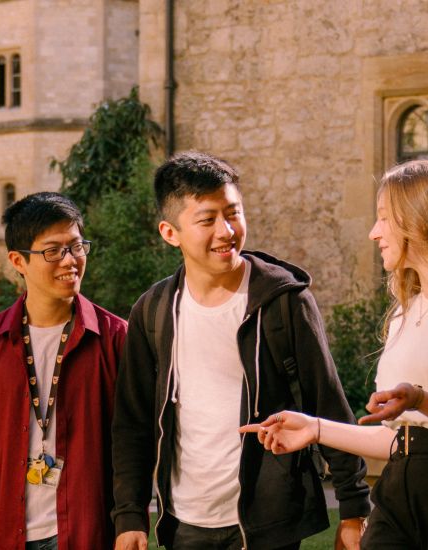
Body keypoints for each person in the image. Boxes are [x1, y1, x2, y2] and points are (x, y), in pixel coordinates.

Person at [243, 159, 428, 550]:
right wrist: (314, 429)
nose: (373, 232)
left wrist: (421, 400)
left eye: (384, 218)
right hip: (399, 494)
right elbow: (400, 440)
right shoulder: (405, 310)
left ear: (420, 221)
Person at [112, 151, 371, 550]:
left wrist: (353, 507)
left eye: (233, 213)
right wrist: (130, 514)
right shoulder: (153, 311)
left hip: (269, 521)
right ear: (170, 232)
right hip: (186, 523)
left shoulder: (284, 301)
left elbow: (327, 402)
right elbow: (133, 423)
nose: (226, 230)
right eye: (207, 219)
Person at [0, 192, 127, 550]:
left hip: (86, 533)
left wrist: (128, 523)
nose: (70, 260)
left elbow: (130, 445)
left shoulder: (114, 338)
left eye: (77, 247)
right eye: (53, 251)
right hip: (7, 536)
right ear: (18, 261)